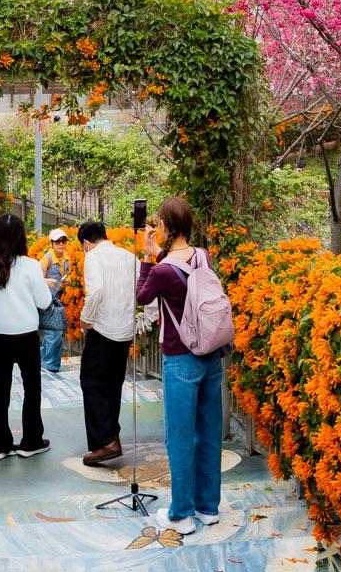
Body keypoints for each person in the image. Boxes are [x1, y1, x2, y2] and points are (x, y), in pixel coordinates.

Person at [136, 197, 228, 535]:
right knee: (208, 433)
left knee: (179, 437)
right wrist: (158, 253)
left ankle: (181, 514)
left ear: (163, 226)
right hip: (210, 353)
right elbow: (181, 275)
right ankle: (208, 507)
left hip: (180, 357)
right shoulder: (202, 256)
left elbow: (143, 295)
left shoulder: (160, 269)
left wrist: (148, 255)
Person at [0, 212, 53, 460]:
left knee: (1, 387)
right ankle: (31, 440)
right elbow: (44, 302)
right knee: (32, 387)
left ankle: (0, 444)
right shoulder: (30, 265)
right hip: (25, 335)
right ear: (21, 237)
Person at [76, 219, 136, 465]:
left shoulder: (93, 257)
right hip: (125, 331)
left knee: (91, 382)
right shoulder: (129, 256)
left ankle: (106, 442)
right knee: (113, 385)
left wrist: (85, 319)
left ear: (87, 243)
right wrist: (143, 320)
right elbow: (144, 286)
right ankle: (112, 437)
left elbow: (97, 290)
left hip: (102, 329)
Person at [38, 227, 69, 373]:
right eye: (58, 241)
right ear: (52, 243)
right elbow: (36, 278)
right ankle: (50, 364)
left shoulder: (65, 257)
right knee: (54, 332)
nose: (61, 244)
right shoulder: (46, 259)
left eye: (64, 241)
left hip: (57, 299)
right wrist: (45, 280)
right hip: (47, 299)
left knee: (53, 330)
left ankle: (45, 360)